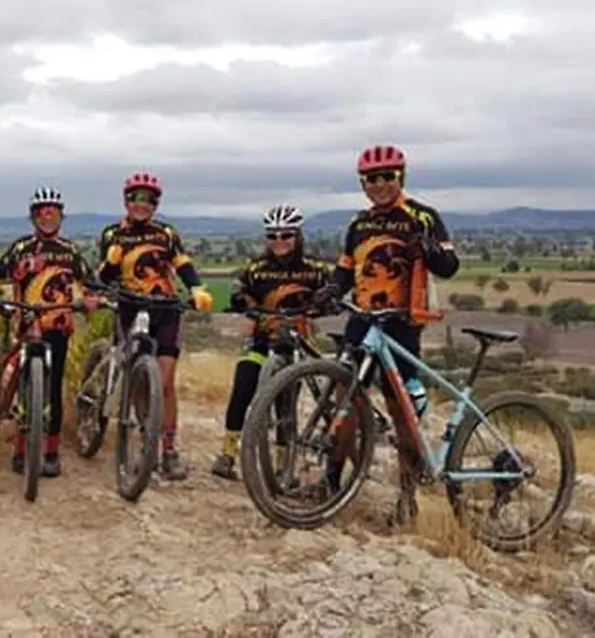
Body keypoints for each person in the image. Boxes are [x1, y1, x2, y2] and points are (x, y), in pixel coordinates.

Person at [313, 144, 459, 523]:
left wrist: (427, 249)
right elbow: (346, 269)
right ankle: (331, 483)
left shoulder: (423, 216)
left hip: (401, 322)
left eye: (387, 177)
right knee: (345, 400)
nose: (379, 185)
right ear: (363, 183)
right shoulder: (357, 224)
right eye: (371, 179)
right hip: (362, 319)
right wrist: (332, 289)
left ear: (401, 177)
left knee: (401, 412)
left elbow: (449, 266)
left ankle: (408, 496)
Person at [96, 172, 215, 481]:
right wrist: (110, 263)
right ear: (126, 201)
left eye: (148, 199)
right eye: (136, 198)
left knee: (164, 382)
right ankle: (140, 432)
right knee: (135, 376)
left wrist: (197, 288)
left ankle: (169, 450)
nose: (141, 204)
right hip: (129, 306)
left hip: (165, 308)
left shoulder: (165, 232)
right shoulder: (112, 234)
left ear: (156, 203)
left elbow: (182, 263)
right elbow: (103, 279)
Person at [210, 204, 332, 480]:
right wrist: (242, 302)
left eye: (286, 235)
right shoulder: (257, 268)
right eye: (272, 236)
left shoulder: (314, 269)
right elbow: (239, 290)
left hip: (295, 343)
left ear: (298, 235)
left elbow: (329, 296)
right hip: (261, 340)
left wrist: (322, 307)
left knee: (285, 403)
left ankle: (281, 465)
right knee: (242, 386)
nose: (279, 242)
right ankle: (227, 455)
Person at [0, 186, 97, 477]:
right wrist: (20, 267)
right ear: (33, 217)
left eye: (53, 212)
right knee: (26, 385)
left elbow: (89, 280)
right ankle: (21, 447)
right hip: (27, 322)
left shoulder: (70, 250)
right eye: (41, 213)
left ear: (61, 216)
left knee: (53, 388)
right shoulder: (22, 246)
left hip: (59, 325)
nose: (47, 217)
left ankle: (51, 450)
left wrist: (91, 299)